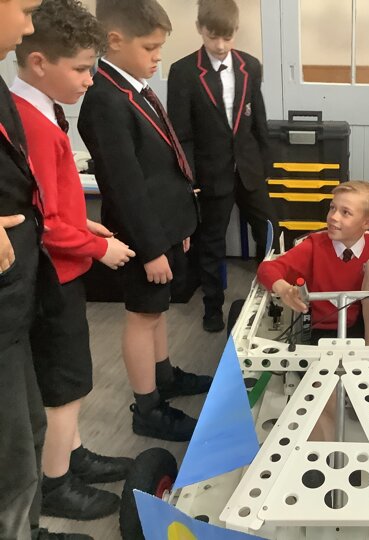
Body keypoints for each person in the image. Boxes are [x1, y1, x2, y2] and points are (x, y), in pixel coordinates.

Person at [12, 0, 137, 522]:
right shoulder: (33, 123)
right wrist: (97, 247)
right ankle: (57, 482)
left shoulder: (43, 110)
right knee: (65, 385)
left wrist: (84, 224)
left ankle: (73, 455)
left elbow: (47, 201)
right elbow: (42, 223)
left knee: (71, 379)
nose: (90, 80)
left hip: (64, 265)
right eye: (82, 69)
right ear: (40, 63)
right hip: (52, 274)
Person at [78, 0, 211, 442]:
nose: (158, 57)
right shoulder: (105, 100)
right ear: (114, 41)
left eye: (160, 48)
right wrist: (152, 248)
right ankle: (147, 407)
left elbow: (163, 168)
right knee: (141, 316)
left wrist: (181, 228)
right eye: (150, 48)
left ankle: (164, 376)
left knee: (157, 312)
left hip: (163, 227)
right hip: (141, 235)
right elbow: (126, 186)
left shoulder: (135, 90)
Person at [0, 1, 83, 538]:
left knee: (29, 426)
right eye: (25, 9)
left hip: (20, 292)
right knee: (12, 456)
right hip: (22, 286)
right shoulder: (28, 113)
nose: (28, 24)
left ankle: (30, 526)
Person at [257, 181, 369, 439]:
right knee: (324, 398)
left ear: (367, 222)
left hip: (366, 330)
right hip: (323, 334)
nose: (333, 217)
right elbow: (268, 268)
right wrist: (284, 289)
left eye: (345, 212)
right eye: (332, 208)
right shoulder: (314, 245)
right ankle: (322, 454)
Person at [168, 0, 277, 333]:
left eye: (226, 37)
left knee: (270, 232)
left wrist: (266, 164)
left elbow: (258, 118)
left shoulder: (250, 66)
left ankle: (270, 298)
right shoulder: (183, 72)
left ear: (236, 31)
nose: (219, 45)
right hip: (210, 173)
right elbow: (181, 134)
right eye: (213, 36)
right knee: (212, 242)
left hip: (249, 168)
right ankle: (212, 307)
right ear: (200, 29)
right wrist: (190, 178)